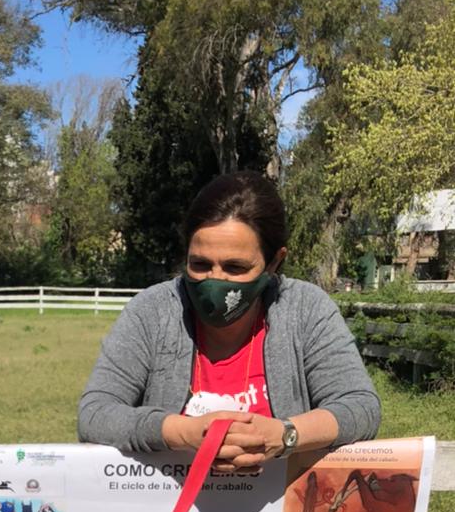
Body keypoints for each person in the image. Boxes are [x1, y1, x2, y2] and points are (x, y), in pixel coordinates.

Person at [78, 172, 380, 473]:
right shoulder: (153, 311)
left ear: (274, 262)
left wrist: (284, 435)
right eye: (200, 264)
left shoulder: (306, 309)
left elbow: (359, 406)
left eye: (235, 267)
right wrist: (183, 433)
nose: (215, 281)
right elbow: (95, 413)